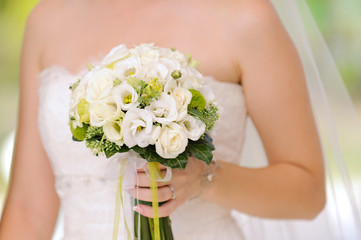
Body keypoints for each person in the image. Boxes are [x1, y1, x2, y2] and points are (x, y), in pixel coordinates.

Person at [2, 0, 354, 239]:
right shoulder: (49, 17)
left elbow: (307, 192)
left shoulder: (246, 16)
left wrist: (206, 179)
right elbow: (29, 207)